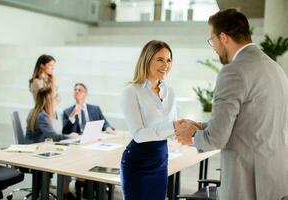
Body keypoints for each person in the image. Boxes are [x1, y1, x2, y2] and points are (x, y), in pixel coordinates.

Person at [176, 9, 288, 200]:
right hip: (276, 180)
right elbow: (251, 123)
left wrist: (192, 136)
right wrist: (202, 126)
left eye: (213, 41)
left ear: (224, 37)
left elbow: (217, 138)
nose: (214, 47)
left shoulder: (234, 72)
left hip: (247, 183)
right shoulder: (275, 67)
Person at [120, 40, 196, 200]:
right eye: (160, 59)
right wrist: (173, 126)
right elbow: (139, 135)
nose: (166, 65)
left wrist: (185, 127)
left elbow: (173, 128)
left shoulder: (170, 92)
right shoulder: (131, 91)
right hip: (137, 162)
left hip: (160, 160)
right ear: (147, 60)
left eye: (168, 60)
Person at [25, 87, 78, 200]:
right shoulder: (42, 116)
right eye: (54, 98)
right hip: (37, 152)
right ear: (48, 100)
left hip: (39, 148)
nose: (56, 100)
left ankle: (63, 190)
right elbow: (54, 136)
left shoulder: (39, 112)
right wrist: (71, 136)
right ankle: (64, 192)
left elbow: (56, 133)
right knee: (67, 159)